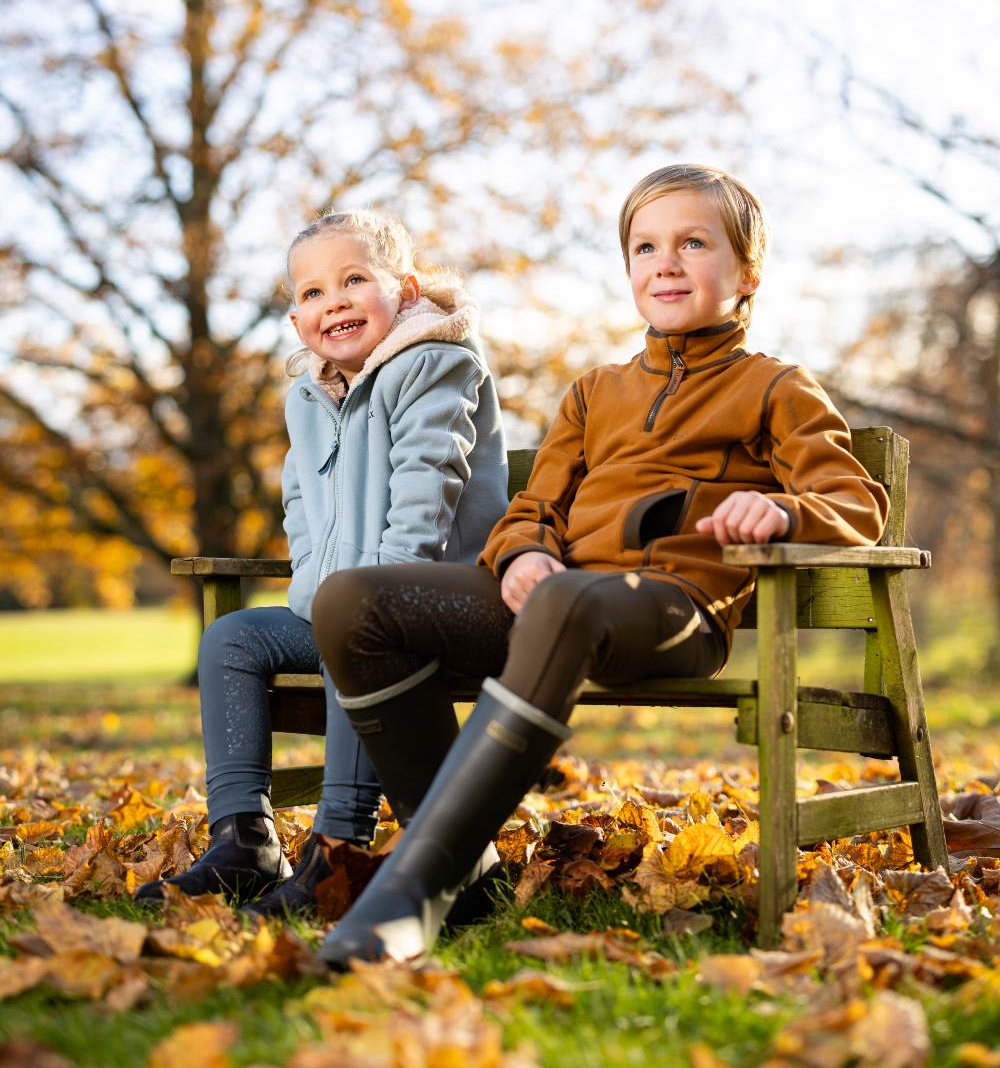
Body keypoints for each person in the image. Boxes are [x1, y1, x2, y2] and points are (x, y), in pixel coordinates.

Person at [309, 164, 890, 966]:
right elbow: (531, 508)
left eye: (694, 243)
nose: (667, 262)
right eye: (646, 247)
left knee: (568, 603)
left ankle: (410, 890)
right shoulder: (594, 393)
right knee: (351, 602)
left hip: (674, 609)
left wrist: (784, 510)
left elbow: (856, 501)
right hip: (554, 603)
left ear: (747, 273)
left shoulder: (775, 387)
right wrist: (523, 553)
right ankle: (467, 869)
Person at [134, 209, 508, 917]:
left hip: (442, 606)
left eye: (354, 279)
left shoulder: (436, 365)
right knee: (231, 637)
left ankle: (340, 848)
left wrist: (364, 603)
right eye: (310, 293)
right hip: (352, 611)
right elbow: (299, 504)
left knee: (351, 631)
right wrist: (317, 593)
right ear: (295, 314)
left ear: (405, 290)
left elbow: (430, 484)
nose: (331, 301)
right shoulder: (307, 393)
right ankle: (244, 840)